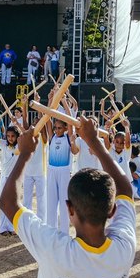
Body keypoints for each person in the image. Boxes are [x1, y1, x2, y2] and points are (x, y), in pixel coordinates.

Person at [0, 115, 136, 278]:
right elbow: (126, 190)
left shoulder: (54, 249)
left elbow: (8, 203)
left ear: (69, 209)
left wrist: (24, 154)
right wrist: (95, 143)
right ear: (111, 211)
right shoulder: (124, 249)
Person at [43, 100, 80, 234]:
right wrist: (51, 101)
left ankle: (64, 232)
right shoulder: (51, 137)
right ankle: (50, 232)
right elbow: (47, 117)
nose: (57, 130)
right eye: (55, 128)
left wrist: (64, 101)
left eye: (60, 128)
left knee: (65, 203)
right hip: (52, 171)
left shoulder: (68, 138)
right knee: (51, 203)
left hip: (64, 172)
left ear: (65, 128)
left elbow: (70, 119)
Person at [0, 126, 20, 235]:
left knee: (13, 203)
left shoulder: (19, 147)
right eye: (8, 136)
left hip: (14, 179)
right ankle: (2, 228)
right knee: (3, 202)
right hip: (4, 177)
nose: (10, 138)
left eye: (13, 136)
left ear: (17, 137)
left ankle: (11, 227)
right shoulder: (3, 144)